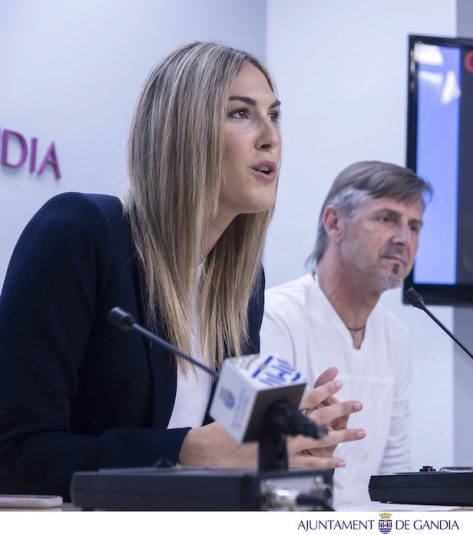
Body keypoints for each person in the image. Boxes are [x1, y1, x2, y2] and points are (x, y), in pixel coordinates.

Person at [0, 42, 363, 499]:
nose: (270, 136)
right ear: (183, 132)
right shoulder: (79, 232)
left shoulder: (242, 284)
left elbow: (222, 465)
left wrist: (289, 452)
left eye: (274, 115)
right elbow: (15, 457)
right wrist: (187, 450)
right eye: (240, 113)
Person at [260, 161, 432, 501]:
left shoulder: (396, 335)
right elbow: (259, 464)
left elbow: (395, 468)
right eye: (386, 219)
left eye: (414, 226)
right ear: (335, 223)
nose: (403, 239)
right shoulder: (274, 318)